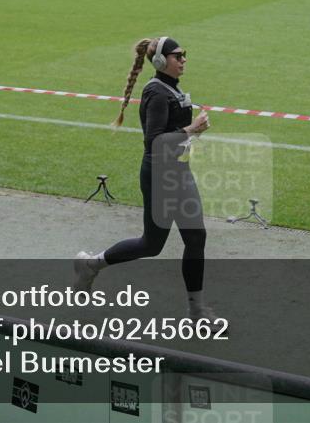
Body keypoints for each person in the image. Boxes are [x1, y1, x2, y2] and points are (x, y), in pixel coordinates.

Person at [74, 36, 217, 320]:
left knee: (196, 237)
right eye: (178, 55)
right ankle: (91, 265)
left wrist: (191, 131)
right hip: (160, 176)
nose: (184, 59)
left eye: (184, 54)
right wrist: (191, 129)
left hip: (179, 172)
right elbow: (154, 142)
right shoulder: (156, 93)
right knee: (151, 245)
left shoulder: (170, 89)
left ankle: (197, 310)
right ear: (162, 61)